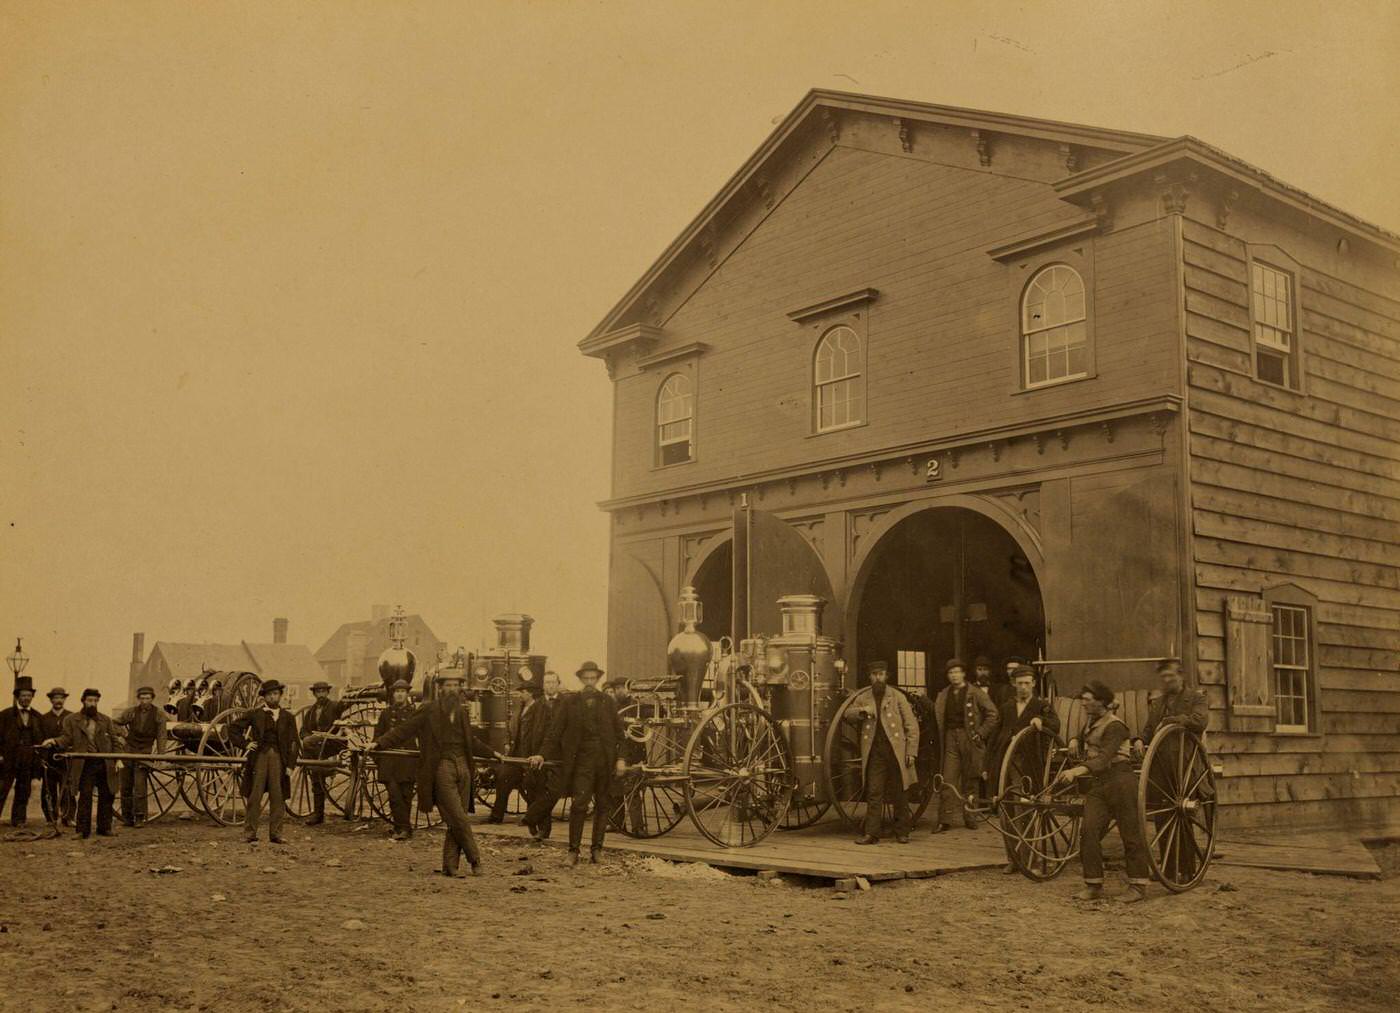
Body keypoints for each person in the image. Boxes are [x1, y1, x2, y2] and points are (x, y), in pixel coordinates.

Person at [373, 669, 499, 877]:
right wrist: (379, 743)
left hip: (463, 767)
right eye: (448, 685)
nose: (452, 689)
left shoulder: (462, 712)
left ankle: (450, 866)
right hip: (441, 766)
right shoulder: (428, 710)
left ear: (460, 688)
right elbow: (404, 729)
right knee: (458, 816)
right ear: (440, 688)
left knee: (457, 818)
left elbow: (471, 741)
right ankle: (475, 859)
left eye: (455, 685)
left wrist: (493, 753)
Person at [1054, 681, 1150, 903]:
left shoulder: (1116, 726)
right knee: (1088, 830)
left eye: (1087, 700)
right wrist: (1074, 739)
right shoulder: (1092, 720)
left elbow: (1104, 758)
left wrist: (1076, 770)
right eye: (1083, 699)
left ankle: (1137, 886)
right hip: (1099, 784)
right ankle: (1093, 884)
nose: (1083, 703)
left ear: (1101, 702)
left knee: (1130, 834)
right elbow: (1085, 737)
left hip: (1121, 781)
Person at [528, 661, 625, 867]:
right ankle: (573, 851)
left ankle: (597, 850)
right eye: (586, 678)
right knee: (579, 804)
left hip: (605, 761)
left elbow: (620, 734)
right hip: (581, 762)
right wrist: (542, 755)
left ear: (597, 679)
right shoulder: (570, 702)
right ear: (580, 679)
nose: (589, 682)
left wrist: (621, 759)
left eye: (593, 678)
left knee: (603, 805)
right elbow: (554, 732)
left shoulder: (608, 702)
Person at [990, 664, 1061, 873]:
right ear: (1014, 684)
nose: (1023, 687)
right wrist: (988, 765)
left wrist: (1041, 720)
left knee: (1024, 811)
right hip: (1006, 763)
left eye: (1027, 683)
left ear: (1034, 684)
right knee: (1006, 811)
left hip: (1029, 765)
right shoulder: (1006, 707)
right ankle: (1013, 859)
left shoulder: (1041, 705)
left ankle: (1029, 859)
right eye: (1019, 683)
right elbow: (994, 737)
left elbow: (1055, 725)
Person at [846, 662, 919, 845]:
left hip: (896, 751)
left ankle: (902, 832)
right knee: (874, 791)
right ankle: (872, 833)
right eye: (874, 674)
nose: (878, 677)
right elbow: (848, 713)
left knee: (900, 791)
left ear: (887, 676)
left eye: (881, 674)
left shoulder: (897, 697)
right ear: (870, 676)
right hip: (874, 751)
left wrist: (911, 752)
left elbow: (911, 726)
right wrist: (862, 711)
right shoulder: (863, 697)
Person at [40, 688, 121, 839]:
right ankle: (82, 830)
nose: (93, 703)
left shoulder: (105, 720)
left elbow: (115, 741)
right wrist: (54, 741)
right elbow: (66, 738)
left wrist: (118, 759)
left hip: (105, 762)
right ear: (83, 701)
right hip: (85, 764)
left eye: (95, 701)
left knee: (107, 795)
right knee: (85, 796)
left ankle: (104, 828)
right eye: (90, 700)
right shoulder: (71, 720)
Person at [930, 658, 998, 833]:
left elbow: (993, 714)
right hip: (950, 738)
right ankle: (945, 820)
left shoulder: (975, 692)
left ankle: (970, 817)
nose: (954, 676)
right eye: (951, 673)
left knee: (971, 778)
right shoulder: (943, 694)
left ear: (963, 674)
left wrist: (980, 733)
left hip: (970, 738)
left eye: (957, 672)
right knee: (948, 780)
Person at [229, 679, 300, 845]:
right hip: (259, 758)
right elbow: (233, 728)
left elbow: (294, 743)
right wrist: (245, 744)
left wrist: (290, 765)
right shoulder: (255, 714)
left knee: (278, 797)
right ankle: (249, 833)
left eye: (275, 694)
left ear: (280, 695)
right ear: (264, 697)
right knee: (255, 796)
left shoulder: (288, 717)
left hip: (279, 760)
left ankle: (276, 834)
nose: (272, 697)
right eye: (269, 695)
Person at [487, 679, 549, 824]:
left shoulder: (541, 710)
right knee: (503, 778)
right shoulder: (519, 708)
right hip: (516, 756)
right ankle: (496, 816)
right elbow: (510, 728)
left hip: (531, 755)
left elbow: (542, 733)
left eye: (523, 692)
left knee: (530, 784)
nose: (520, 695)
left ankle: (531, 817)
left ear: (531, 694)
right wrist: (507, 742)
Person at [519, 670, 567, 840]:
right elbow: (527, 731)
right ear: (543, 685)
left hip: (560, 755)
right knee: (537, 789)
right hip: (538, 753)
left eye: (553, 682)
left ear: (558, 684)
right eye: (547, 682)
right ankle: (543, 830)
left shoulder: (566, 703)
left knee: (553, 791)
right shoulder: (537, 705)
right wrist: (528, 755)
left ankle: (531, 816)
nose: (550, 686)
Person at [114, 685, 168, 827]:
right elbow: (113, 723)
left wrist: (161, 756)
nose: (144, 701)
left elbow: (162, 736)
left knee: (140, 786)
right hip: (128, 751)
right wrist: (122, 734)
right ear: (138, 699)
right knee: (125, 786)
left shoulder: (159, 714)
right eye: (142, 698)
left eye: (147, 698)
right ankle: (127, 818)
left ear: (152, 699)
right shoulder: (131, 712)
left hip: (144, 752)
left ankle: (139, 817)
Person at [373, 680, 419, 840]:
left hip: (408, 760)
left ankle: (401, 828)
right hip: (390, 760)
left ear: (407, 694)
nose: (399, 694)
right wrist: (379, 760)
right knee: (394, 795)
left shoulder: (414, 713)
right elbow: (377, 736)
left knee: (406, 795)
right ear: (393, 694)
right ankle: (404, 828)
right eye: (397, 691)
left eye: (402, 691)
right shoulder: (386, 714)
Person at [1134, 658, 1209, 750]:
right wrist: (1140, 740)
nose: (1166, 680)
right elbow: (1149, 730)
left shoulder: (1197, 698)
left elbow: (1200, 721)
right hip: (1161, 756)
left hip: (1185, 754)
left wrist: (1169, 721)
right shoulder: (1158, 703)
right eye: (1163, 676)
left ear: (1181, 676)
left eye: (1170, 675)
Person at [0, 676, 44, 825]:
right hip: (7, 759)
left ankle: (18, 820)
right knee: (2, 789)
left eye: (29, 695)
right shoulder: (5, 715)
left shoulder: (37, 716)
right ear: (17, 696)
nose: (26, 698)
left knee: (23, 790)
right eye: (23, 695)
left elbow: (40, 740)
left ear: (32, 697)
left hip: (28, 759)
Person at [300, 681, 344, 825]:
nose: (321, 695)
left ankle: (319, 767)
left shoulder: (335, 706)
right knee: (316, 777)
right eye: (318, 692)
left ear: (327, 692)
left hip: (333, 744)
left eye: (323, 691)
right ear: (314, 694)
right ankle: (318, 815)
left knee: (310, 752)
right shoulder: (311, 711)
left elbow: (344, 708)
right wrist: (307, 737)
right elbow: (303, 730)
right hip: (317, 747)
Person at [38, 687, 75, 826]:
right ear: (51, 700)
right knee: (49, 789)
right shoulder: (43, 718)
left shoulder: (72, 717)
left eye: (61, 698)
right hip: (49, 759)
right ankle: (50, 818)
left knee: (68, 789)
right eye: (55, 698)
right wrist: (42, 757)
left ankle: (68, 817)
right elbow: (40, 738)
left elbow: (74, 738)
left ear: (64, 699)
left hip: (67, 759)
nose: (58, 700)